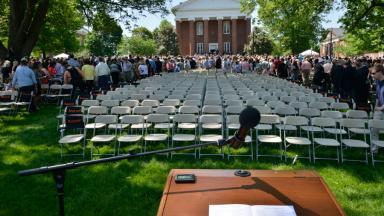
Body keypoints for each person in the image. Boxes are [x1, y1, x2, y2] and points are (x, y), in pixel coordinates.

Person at [370, 63, 384, 153]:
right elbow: (378, 96)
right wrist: (376, 108)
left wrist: (381, 108)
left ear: (380, 72)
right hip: (379, 110)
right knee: (374, 129)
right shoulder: (378, 82)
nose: (372, 75)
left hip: (382, 109)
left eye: (374, 73)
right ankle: (374, 150)